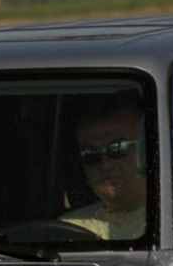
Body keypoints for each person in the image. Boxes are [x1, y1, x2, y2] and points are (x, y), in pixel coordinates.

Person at [59, 93, 147, 240]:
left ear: (147, 149)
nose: (105, 164)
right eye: (91, 154)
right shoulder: (65, 230)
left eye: (117, 148)